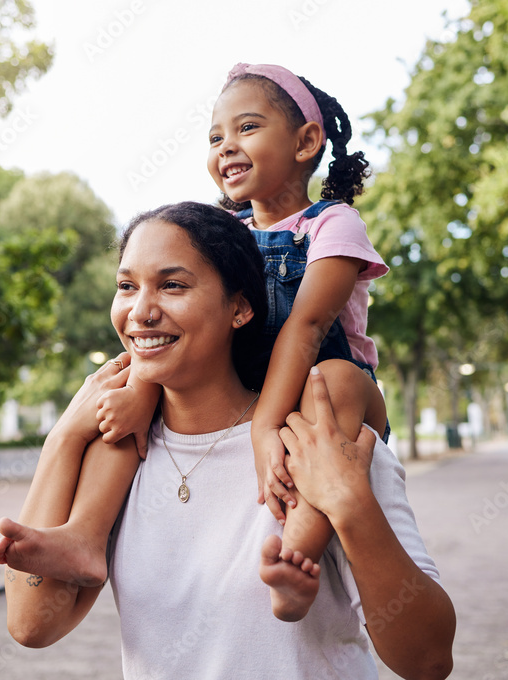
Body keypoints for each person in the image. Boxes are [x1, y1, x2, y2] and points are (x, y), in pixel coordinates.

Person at [0, 202, 455, 679]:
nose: (141, 311)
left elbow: (428, 660)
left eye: (172, 285)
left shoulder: (318, 440)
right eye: (127, 286)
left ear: (239, 307)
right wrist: (64, 436)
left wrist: (349, 501)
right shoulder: (118, 452)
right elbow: (30, 625)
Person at [207, 63, 389, 621]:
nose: (226, 146)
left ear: (307, 141)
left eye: (247, 128)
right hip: (253, 387)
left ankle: (295, 559)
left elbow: (307, 326)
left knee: (331, 381)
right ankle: (81, 534)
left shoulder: (332, 223)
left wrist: (265, 424)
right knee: (138, 373)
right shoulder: (221, 235)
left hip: (334, 392)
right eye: (216, 137)